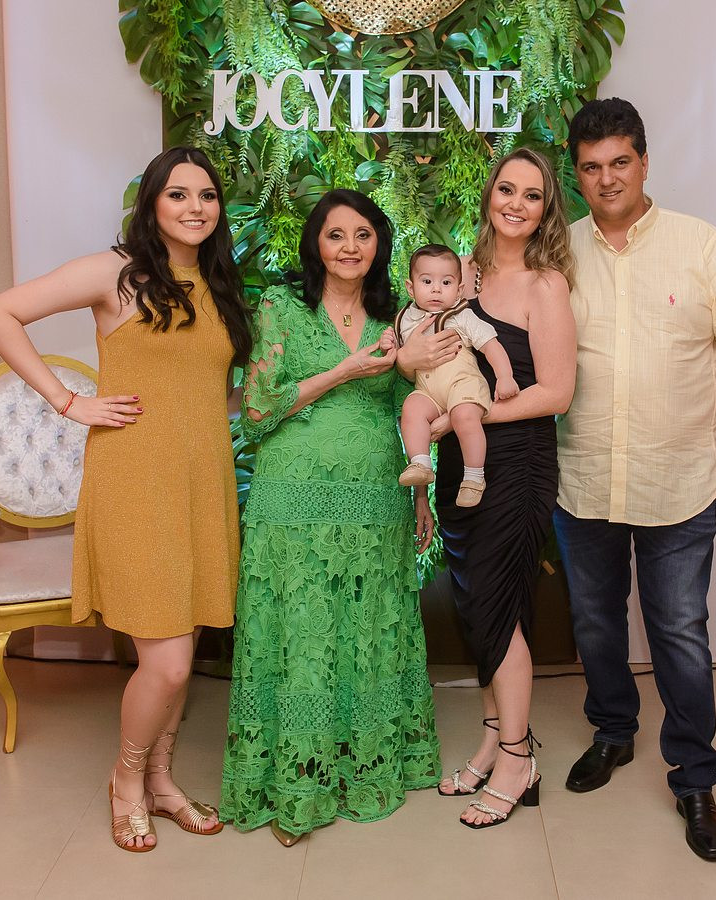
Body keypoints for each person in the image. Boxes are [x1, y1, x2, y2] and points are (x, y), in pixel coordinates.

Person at [0, 146, 252, 852]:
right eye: (178, 193)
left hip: (203, 483)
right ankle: (126, 781)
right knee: (169, 661)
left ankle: (162, 781)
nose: (195, 207)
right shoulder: (117, 273)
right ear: (152, 202)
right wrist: (68, 401)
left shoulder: (219, 282)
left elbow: (208, 395)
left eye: (207, 195)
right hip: (136, 481)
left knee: (186, 642)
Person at [555, 98, 716, 862]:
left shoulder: (701, 245)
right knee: (595, 624)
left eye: (620, 162)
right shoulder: (560, 253)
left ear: (644, 162)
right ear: (576, 174)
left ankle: (694, 778)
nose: (607, 178)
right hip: (585, 481)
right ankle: (614, 732)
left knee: (679, 631)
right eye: (591, 167)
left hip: (676, 483)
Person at [220, 189, 442, 846]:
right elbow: (258, 408)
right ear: (315, 243)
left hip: (376, 495)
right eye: (336, 234)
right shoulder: (281, 307)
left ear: (379, 246)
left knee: (367, 626)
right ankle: (296, 782)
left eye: (363, 235)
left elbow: (410, 405)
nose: (349, 247)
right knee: (302, 631)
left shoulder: (397, 319)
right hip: (292, 497)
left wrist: (422, 495)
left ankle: (364, 769)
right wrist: (344, 370)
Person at [398, 148, 576, 828]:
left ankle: (517, 757)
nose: (516, 204)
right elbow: (424, 357)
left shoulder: (545, 285)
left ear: (545, 209)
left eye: (532, 195)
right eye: (507, 189)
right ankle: (492, 741)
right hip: (459, 464)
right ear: (489, 196)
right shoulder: (461, 275)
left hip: (517, 463)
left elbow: (556, 393)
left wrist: (459, 419)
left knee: (499, 609)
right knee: (478, 607)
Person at [394, 243, 518, 507]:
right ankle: (420, 463)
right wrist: (389, 342)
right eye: (427, 281)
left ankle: (474, 477)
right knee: (412, 408)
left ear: (459, 290)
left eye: (446, 282)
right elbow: (398, 348)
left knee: (464, 416)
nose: (436, 289)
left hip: (463, 385)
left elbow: (491, 345)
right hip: (428, 390)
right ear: (410, 288)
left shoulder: (462, 316)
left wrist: (505, 376)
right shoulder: (405, 318)